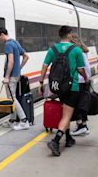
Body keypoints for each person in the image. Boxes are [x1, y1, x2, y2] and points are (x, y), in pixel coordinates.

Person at [38, 26, 89, 156]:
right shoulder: (76, 50)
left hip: (59, 87)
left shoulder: (53, 49)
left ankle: (68, 139)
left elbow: (44, 66)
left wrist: (41, 82)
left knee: (65, 112)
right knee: (67, 115)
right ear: (70, 35)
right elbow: (81, 69)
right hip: (73, 87)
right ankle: (56, 141)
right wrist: (86, 78)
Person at [0, 28, 30, 130]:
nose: (0, 40)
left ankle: (24, 121)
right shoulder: (15, 42)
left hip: (11, 76)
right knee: (11, 98)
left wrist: (6, 76)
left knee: (12, 98)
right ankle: (12, 120)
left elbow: (10, 62)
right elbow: (26, 56)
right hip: (16, 75)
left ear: (2, 35)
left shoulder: (8, 45)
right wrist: (19, 68)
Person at [68, 33, 92, 136]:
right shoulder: (83, 51)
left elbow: (81, 68)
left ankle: (80, 125)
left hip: (79, 80)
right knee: (83, 103)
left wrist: (85, 77)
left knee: (75, 104)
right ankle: (84, 126)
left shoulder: (77, 52)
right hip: (84, 80)